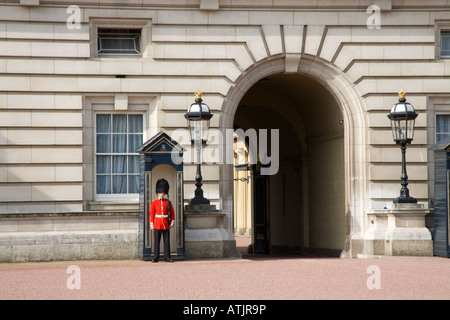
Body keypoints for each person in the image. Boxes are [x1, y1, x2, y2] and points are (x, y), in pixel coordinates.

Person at [149, 178, 175, 262]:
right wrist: (152, 224)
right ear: (158, 193)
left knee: (166, 241)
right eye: (160, 192)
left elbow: (172, 212)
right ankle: (156, 256)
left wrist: (172, 222)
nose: (162, 194)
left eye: (163, 192)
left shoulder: (168, 202)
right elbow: (152, 214)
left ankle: (167, 257)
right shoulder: (154, 203)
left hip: (166, 223)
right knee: (156, 242)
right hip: (157, 223)